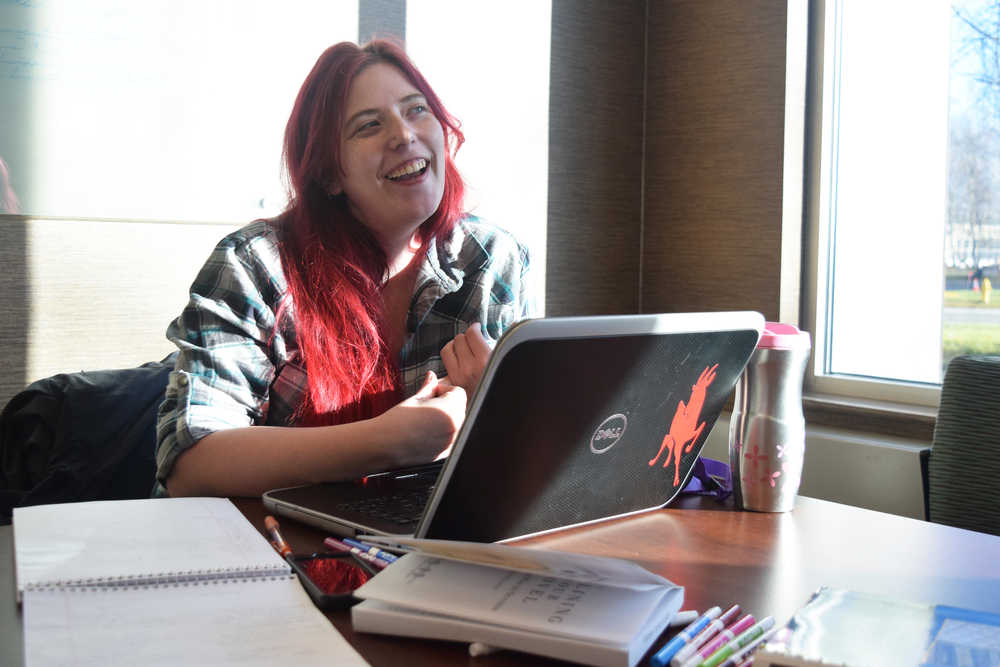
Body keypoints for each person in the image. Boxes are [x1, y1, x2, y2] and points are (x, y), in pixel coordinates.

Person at [154, 40, 534, 498]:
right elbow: (192, 465)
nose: (403, 135)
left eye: (416, 110)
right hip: (269, 545)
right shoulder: (254, 264)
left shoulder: (492, 259)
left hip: (426, 544)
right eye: (369, 125)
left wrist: (501, 411)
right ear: (330, 175)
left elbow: (524, 465)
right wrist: (387, 443)